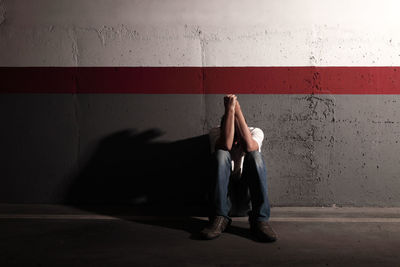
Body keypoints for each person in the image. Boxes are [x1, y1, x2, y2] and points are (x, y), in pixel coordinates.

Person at [200, 94, 277, 242]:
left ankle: (260, 220)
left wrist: (237, 109)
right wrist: (229, 109)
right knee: (221, 154)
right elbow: (227, 145)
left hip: (246, 200)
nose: (235, 144)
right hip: (224, 200)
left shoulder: (256, 132)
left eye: (238, 138)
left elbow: (249, 146)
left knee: (255, 156)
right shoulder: (216, 132)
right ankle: (219, 218)